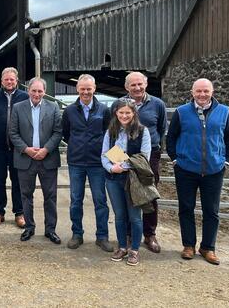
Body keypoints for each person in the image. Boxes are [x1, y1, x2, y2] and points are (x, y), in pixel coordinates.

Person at [166, 78, 229, 265]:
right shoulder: (181, 113)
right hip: (186, 169)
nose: (202, 95)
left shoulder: (224, 112)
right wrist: (176, 160)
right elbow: (171, 138)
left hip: (214, 170)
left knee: (211, 211)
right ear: (192, 92)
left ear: (212, 92)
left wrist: (226, 162)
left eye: (206, 91)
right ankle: (188, 245)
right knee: (186, 208)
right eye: (198, 91)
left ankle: (208, 247)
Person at [115, 72, 166, 253]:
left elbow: (161, 128)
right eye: (133, 85)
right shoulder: (119, 103)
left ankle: (149, 233)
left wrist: (155, 150)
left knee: (149, 192)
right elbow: (112, 129)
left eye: (140, 84)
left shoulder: (158, 104)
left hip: (149, 155)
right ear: (126, 87)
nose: (137, 88)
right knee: (127, 191)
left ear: (145, 84)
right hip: (124, 152)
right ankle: (129, 234)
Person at [62, 74, 113, 252]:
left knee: (100, 200)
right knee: (76, 200)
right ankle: (77, 234)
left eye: (88, 89)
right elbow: (66, 134)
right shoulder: (69, 111)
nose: (85, 92)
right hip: (76, 162)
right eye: (82, 89)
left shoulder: (104, 110)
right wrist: (78, 145)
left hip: (97, 163)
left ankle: (102, 236)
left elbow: (109, 134)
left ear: (94, 88)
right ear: (77, 89)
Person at [9, 77, 62, 243]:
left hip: (48, 158)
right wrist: (26, 149)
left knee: (50, 196)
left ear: (44, 92)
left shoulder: (53, 107)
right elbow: (13, 133)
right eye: (34, 91)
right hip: (26, 158)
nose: (37, 94)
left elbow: (57, 132)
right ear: (28, 91)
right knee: (26, 195)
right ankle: (29, 227)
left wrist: (46, 149)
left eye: (40, 91)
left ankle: (50, 230)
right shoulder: (18, 108)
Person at [101, 99, 152, 266]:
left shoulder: (143, 132)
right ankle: (122, 246)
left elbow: (144, 157)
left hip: (134, 180)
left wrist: (122, 166)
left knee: (135, 216)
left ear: (134, 113)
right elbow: (104, 154)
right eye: (121, 112)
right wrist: (110, 168)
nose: (124, 115)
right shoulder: (111, 131)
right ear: (116, 113)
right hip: (113, 179)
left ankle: (134, 249)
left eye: (127, 113)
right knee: (120, 216)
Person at [0, 67, 29, 228]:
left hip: (18, 149)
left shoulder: (25, 97)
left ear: (16, 80)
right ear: (1, 81)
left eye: (12, 79)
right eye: (6, 79)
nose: (9, 82)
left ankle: (19, 213)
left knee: (18, 181)